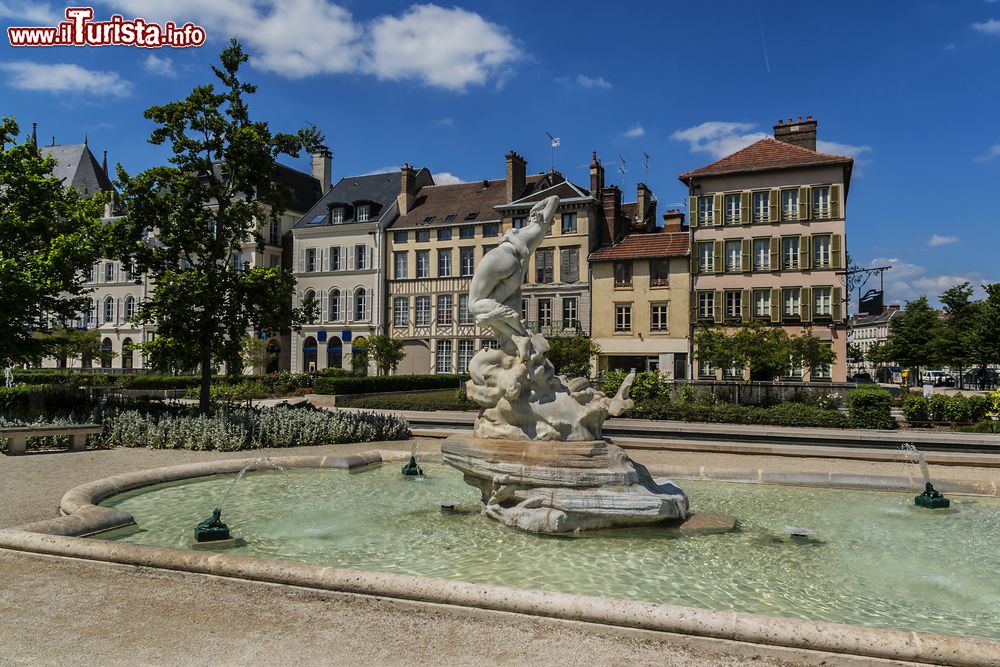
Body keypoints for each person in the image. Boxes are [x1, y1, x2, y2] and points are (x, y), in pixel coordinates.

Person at [467, 196, 558, 360]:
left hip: (501, 257)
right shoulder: (538, 231)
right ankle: (518, 338)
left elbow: (554, 198)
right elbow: (525, 255)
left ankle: (508, 319)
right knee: (491, 304)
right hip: (516, 270)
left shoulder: (538, 224)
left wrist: (535, 210)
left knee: (473, 306)